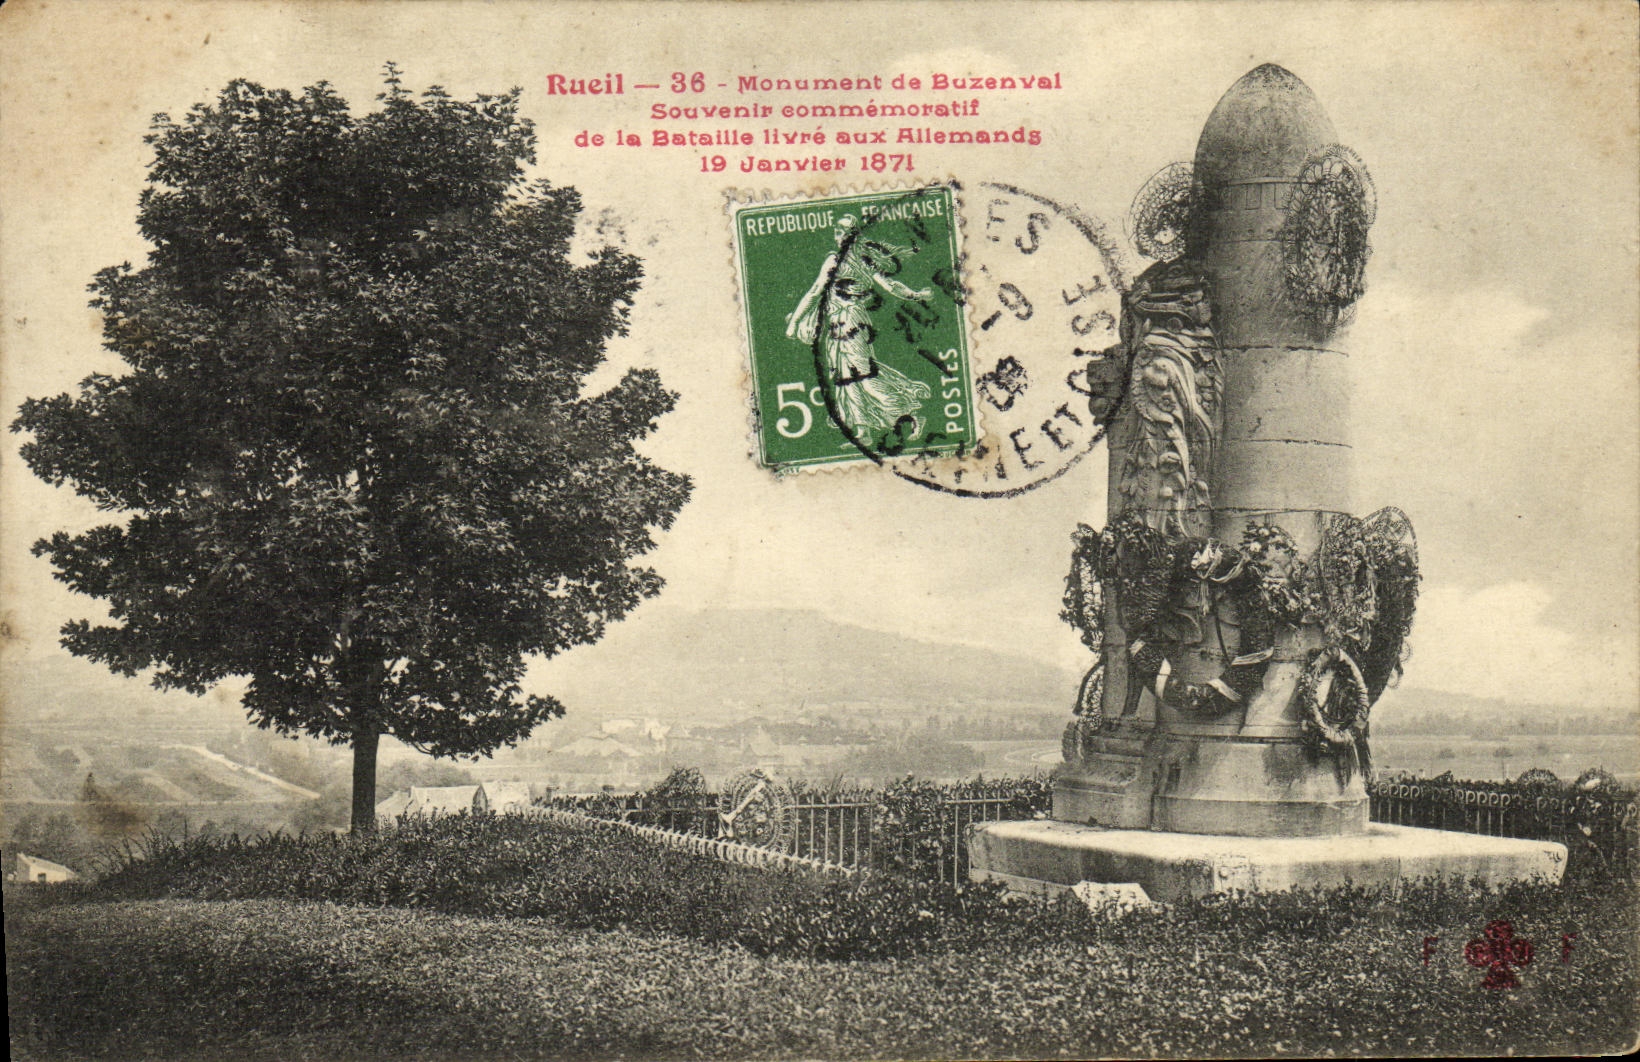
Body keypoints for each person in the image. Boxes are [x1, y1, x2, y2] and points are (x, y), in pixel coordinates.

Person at [785, 215, 933, 442]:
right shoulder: (835, 260)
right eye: (837, 231)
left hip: (852, 323)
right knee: (843, 377)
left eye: (846, 231)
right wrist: (796, 320)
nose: (840, 236)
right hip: (835, 325)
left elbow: (890, 285)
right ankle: (863, 430)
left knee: (863, 375)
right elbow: (816, 292)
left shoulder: (862, 262)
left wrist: (916, 295)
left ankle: (908, 416)